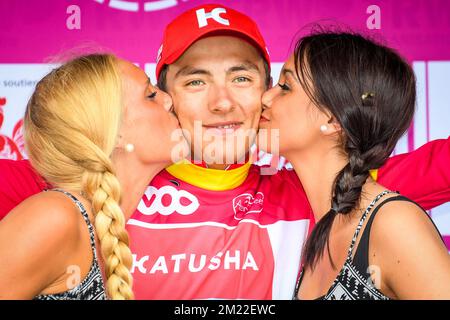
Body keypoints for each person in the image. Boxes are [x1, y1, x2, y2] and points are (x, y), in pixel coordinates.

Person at [0, 4, 449, 299]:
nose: (221, 102)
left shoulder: (321, 191)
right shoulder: (93, 186)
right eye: (196, 81)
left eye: (241, 78)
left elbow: (432, 170)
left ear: (268, 94)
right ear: (166, 97)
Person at [260, 31, 450, 300]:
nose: (266, 98)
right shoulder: (315, 231)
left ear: (333, 119)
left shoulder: (393, 223)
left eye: (285, 87)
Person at [0, 54, 184, 299]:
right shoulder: (55, 216)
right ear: (115, 132)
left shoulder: (112, 226)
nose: (169, 100)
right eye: (150, 95)